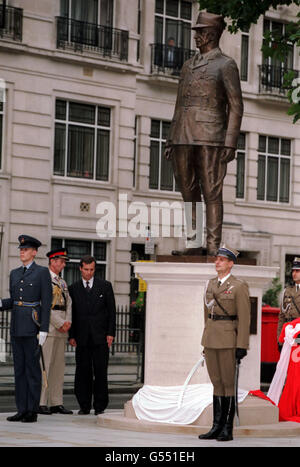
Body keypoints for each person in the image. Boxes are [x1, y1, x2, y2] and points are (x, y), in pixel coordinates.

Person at [164, 12, 243, 256]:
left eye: (199, 31)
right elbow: (179, 103)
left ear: (211, 34)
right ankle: (194, 243)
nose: (196, 36)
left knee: (211, 191)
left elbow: (236, 105)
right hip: (182, 135)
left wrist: (230, 142)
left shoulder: (226, 64)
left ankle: (212, 245)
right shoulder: (187, 66)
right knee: (188, 192)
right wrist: (170, 137)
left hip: (211, 136)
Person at [199, 244, 250, 441]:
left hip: (229, 339)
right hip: (211, 338)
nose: (217, 261)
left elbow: (245, 318)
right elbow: (206, 315)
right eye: (216, 259)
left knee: (228, 384)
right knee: (216, 383)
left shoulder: (238, 286)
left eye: (221, 259)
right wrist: (205, 341)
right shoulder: (210, 284)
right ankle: (215, 426)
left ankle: (227, 429)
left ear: (230, 264)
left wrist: (241, 345)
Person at [0, 235, 52, 423]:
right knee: (19, 370)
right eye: (21, 249)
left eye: (26, 249)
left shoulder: (42, 273)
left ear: (34, 252)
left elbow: (46, 303)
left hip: (32, 326)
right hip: (16, 328)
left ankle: (32, 409)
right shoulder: (14, 273)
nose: (22, 252)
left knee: (32, 370)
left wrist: (44, 329)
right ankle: (21, 409)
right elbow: (14, 301)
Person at [68, 255, 116, 415]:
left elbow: (112, 312)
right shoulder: (73, 288)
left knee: (101, 372)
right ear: (80, 269)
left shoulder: (105, 286)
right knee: (82, 372)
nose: (89, 272)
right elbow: (71, 314)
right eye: (86, 269)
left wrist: (111, 333)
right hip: (81, 338)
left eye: (92, 270)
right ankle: (84, 405)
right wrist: (71, 335)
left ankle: (100, 406)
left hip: (101, 337)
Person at [39, 248, 73, 415]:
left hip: (62, 329)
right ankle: (41, 402)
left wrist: (68, 322)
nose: (63, 264)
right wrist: (59, 322)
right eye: (61, 261)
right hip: (50, 327)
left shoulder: (62, 282)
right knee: (45, 366)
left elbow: (69, 303)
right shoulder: (43, 279)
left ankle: (56, 402)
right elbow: (43, 304)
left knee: (59, 367)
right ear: (52, 261)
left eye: (64, 261)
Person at [277, 257, 300, 347]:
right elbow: (281, 317)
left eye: (297, 271)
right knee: (286, 360)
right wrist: (280, 339)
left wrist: (298, 340)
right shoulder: (287, 291)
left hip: (298, 333)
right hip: (287, 333)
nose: (294, 274)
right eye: (293, 271)